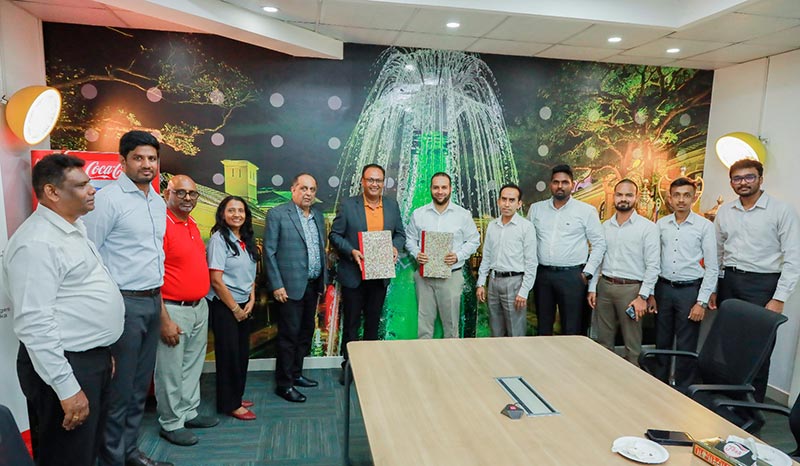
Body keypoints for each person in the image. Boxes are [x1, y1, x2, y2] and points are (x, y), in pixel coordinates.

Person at [3, 153, 124, 466]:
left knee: (86, 450)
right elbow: (35, 324)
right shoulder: (37, 243)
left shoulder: (72, 227)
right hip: (65, 366)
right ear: (52, 192)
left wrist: (101, 351)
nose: (92, 189)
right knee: (67, 455)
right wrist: (67, 388)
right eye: (81, 185)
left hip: (88, 358)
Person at [83, 131, 171, 466]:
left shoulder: (157, 202)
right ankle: (112, 459)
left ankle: (130, 451)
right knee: (119, 390)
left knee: (138, 387)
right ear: (123, 161)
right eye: (138, 158)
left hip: (152, 299)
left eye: (152, 158)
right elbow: (89, 254)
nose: (146, 165)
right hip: (122, 304)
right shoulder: (107, 200)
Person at [710, 159, 800, 402]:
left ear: (761, 179)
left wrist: (779, 298)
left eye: (749, 177)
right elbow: (717, 252)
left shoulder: (781, 211)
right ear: (731, 182)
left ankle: (752, 408)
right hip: (730, 282)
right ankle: (727, 403)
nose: (743, 182)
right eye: (737, 178)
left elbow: (794, 258)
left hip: (763, 286)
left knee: (758, 349)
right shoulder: (725, 212)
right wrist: (715, 288)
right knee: (727, 346)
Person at [154, 175, 218, 447]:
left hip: (198, 306)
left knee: (192, 365)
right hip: (173, 309)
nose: (188, 198)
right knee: (170, 370)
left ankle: (189, 411)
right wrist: (164, 320)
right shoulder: (160, 225)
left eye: (192, 194)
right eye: (180, 193)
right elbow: (152, 277)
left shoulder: (191, 223)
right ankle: (171, 422)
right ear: (166, 193)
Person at [329, 164, 405, 384]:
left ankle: (370, 366)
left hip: (379, 276)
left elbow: (400, 234)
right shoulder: (348, 205)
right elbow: (334, 235)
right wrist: (351, 251)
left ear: (383, 183)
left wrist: (394, 247)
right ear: (362, 181)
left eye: (378, 180)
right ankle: (349, 367)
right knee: (351, 324)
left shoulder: (392, 206)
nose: (374, 184)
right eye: (370, 180)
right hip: (353, 275)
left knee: (373, 323)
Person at [264, 173, 327, 403]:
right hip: (288, 288)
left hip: (312, 285)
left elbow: (320, 250)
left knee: (305, 334)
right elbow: (269, 252)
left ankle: (296, 374)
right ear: (293, 190)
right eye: (303, 188)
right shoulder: (278, 214)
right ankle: (284, 384)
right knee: (288, 336)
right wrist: (277, 285)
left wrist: (322, 280)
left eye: (312, 189)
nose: (308, 193)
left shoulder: (318, 216)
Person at [651, 177, 717, 387]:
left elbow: (712, 267)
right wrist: (651, 292)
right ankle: (659, 385)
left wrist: (701, 302)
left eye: (686, 195)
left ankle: (682, 390)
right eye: (677, 195)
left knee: (686, 344)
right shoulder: (661, 225)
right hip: (663, 288)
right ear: (669, 198)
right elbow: (653, 260)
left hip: (690, 291)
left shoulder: (704, 226)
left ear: (694, 198)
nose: (681, 200)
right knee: (661, 340)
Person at [588, 179, 659, 365]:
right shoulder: (604, 227)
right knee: (603, 342)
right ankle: (604, 377)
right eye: (619, 194)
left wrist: (643, 297)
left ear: (636, 197)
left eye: (628, 195)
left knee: (632, 345)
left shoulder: (648, 228)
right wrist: (592, 288)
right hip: (605, 287)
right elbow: (597, 259)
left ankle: (633, 379)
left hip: (631, 291)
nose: (624, 199)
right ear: (614, 197)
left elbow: (653, 266)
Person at [528, 165, 606, 336]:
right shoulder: (536, 209)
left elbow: (599, 244)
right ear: (550, 184)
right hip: (543, 276)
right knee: (543, 328)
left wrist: (587, 273)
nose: (560, 186)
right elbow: (527, 242)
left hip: (572, 277)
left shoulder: (585, 211)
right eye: (556, 182)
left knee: (572, 329)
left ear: (572, 184)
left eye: (565, 182)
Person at [405, 172, 480, 339]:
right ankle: (425, 355)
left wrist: (458, 255)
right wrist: (417, 253)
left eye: (444, 187)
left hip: (451, 276)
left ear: (450, 189)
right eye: (436, 187)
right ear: (430, 189)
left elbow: (474, 240)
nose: (440, 191)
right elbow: (409, 239)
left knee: (451, 326)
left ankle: (450, 356)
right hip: (424, 276)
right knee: (424, 326)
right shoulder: (419, 214)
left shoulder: (462, 215)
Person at [207, 196, 258, 420]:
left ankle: (236, 396)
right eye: (231, 210)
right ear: (222, 214)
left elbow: (251, 273)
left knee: (241, 354)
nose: (237, 214)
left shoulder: (245, 239)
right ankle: (230, 404)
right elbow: (216, 280)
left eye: (241, 210)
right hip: (225, 306)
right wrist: (236, 309)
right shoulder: (219, 239)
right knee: (228, 356)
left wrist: (251, 299)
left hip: (244, 304)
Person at [476, 184, 537, 337]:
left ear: (519, 204)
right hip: (493, 281)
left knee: (515, 332)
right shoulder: (492, 226)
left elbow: (531, 262)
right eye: (504, 199)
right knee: (495, 330)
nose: (507, 204)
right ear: (498, 201)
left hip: (514, 283)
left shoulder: (526, 227)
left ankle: (517, 354)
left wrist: (524, 291)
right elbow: (486, 256)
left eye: (511, 200)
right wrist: (481, 283)